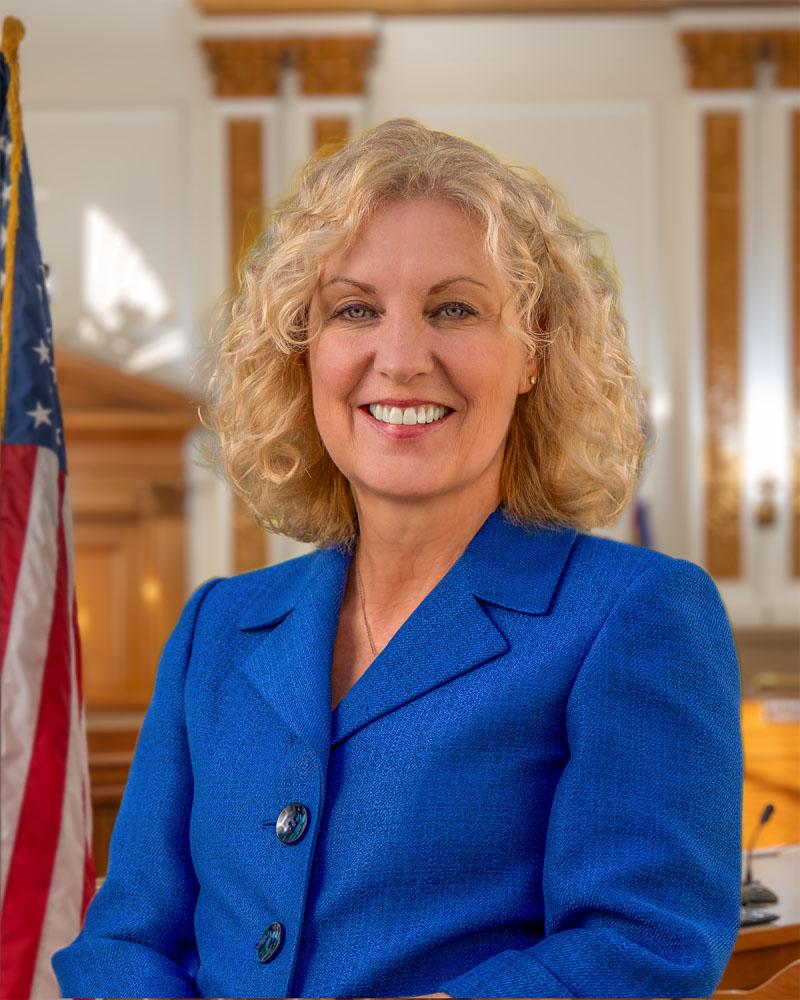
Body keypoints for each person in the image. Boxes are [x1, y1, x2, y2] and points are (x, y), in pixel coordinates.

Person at [51, 118, 743, 999]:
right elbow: (124, 939)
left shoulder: (637, 613)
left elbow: (645, 946)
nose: (403, 358)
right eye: (355, 310)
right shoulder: (216, 627)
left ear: (532, 348)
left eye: (454, 309)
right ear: (305, 352)